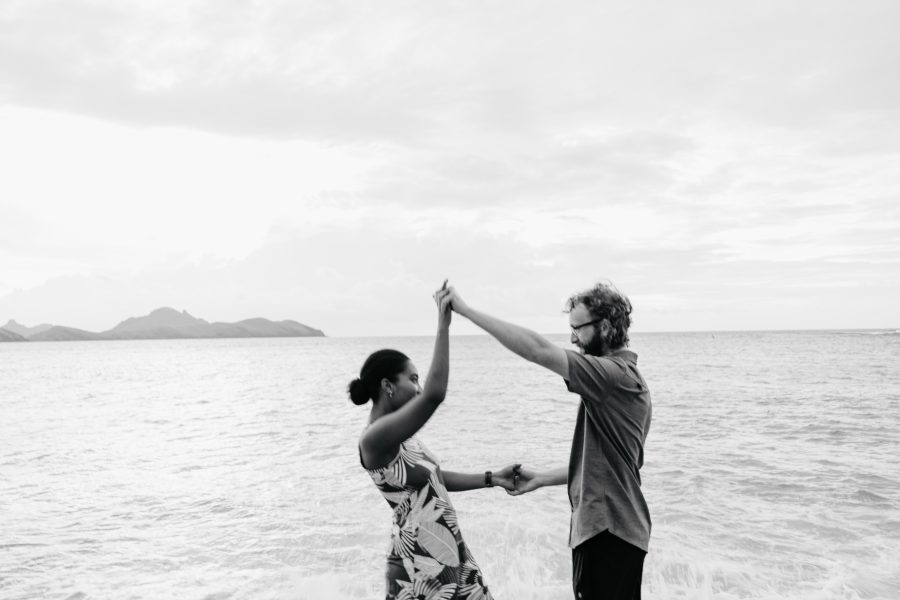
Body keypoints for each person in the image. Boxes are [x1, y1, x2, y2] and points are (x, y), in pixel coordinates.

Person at [435, 281, 651, 600]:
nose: (573, 337)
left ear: (604, 327)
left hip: (607, 532)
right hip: (622, 533)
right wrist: (543, 478)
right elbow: (612, 466)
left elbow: (538, 350)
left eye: (577, 328)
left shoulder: (610, 376)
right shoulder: (630, 381)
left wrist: (465, 311)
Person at [352, 282, 519, 600]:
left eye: (419, 379)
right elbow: (434, 395)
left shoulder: (402, 437)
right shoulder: (374, 439)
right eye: (412, 379)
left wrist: (492, 478)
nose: (418, 387)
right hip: (421, 561)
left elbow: (435, 480)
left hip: (446, 549)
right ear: (387, 386)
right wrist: (443, 325)